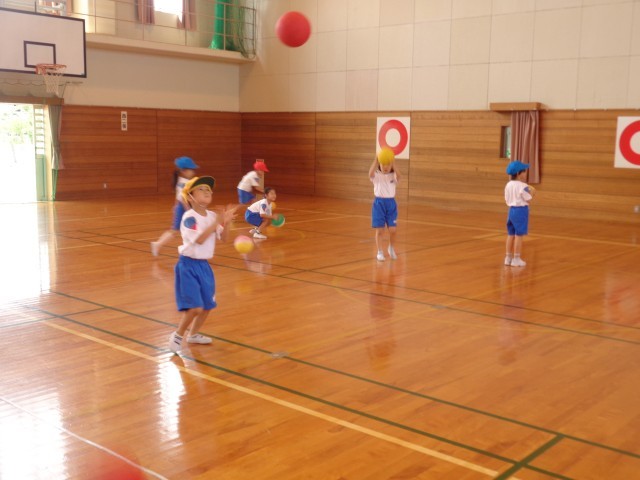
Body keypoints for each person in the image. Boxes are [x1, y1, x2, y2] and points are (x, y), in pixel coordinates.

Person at [168, 176, 237, 354]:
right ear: (190, 196)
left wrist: (227, 222)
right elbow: (199, 239)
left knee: (207, 305)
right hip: (188, 266)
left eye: (209, 189)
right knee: (195, 308)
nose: (207, 191)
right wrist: (216, 222)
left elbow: (224, 238)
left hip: (204, 267)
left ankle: (193, 335)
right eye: (201, 189)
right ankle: (178, 335)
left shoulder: (212, 216)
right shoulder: (189, 218)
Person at [151, 156, 199, 256]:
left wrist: (176, 205)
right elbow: (183, 198)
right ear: (184, 171)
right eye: (191, 169)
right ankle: (158, 244)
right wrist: (189, 211)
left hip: (181, 208)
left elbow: (179, 197)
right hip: (183, 209)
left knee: (189, 229)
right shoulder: (184, 183)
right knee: (176, 230)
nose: (193, 172)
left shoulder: (182, 181)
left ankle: (158, 244)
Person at [369, 154, 400, 261]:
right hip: (379, 204)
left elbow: (399, 175)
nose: (385, 167)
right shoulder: (376, 175)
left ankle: (391, 248)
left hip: (391, 204)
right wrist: (376, 160)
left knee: (393, 230)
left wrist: (393, 162)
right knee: (380, 230)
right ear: (379, 164)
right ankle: (380, 252)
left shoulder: (393, 176)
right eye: (383, 164)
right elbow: (370, 173)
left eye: (388, 164)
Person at [504, 160, 536, 267]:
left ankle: (508, 258)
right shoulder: (523, 186)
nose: (526, 173)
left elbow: (506, 199)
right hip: (521, 211)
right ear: (518, 173)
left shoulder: (508, 184)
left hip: (511, 211)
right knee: (519, 235)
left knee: (510, 234)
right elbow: (528, 199)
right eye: (524, 171)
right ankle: (516, 259)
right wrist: (532, 193)